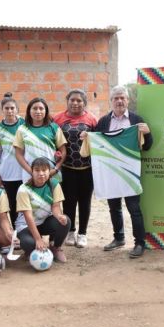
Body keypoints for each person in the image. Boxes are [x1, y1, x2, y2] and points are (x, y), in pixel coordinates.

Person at [94, 85, 153, 258]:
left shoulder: (136, 120)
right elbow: (96, 142)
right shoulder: (104, 121)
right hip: (110, 171)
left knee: (134, 209)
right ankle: (118, 238)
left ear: (128, 100)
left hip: (130, 172)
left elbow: (147, 146)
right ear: (111, 101)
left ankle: (139, 243)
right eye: (116, 98)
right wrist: (87, 138)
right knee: (114, 208)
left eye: (122, 98)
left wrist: (148, 134)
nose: (119, 101)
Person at [53, 89, 98, 248]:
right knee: (69, 202)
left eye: (79, 100)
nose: (75, 103)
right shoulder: (57, 119)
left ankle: (83, 233)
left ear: (84, 103)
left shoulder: (92, 119)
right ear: (67, 101)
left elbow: (99, 142)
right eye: (72, 100)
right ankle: (70, 231)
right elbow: (52, 140)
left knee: (85, 202)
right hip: (66, 168)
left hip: (87, 169)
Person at [15, 157, 71, 263]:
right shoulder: (24, 189)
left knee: (65, 221)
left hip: (44, 222)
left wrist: (59, 216)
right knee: (29, 244)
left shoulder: (54, 184)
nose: (41, 173)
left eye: (44, 170)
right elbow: (28, 217)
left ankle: (56, 247)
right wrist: (38, 239)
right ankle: (31, 249)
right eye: (37, 170)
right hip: (26, 226)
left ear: (49, 171)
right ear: (32, 171)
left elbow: (55, 207)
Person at [14, 97, 67, 183]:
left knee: (54, 196)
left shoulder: (54, 127)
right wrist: (32, 172)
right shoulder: (22, 129)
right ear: (29, 111)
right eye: (34, 108)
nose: (38, 111)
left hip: (52, 173)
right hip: (29, 175)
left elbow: (63, 151)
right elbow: (18, 154)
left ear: (46, 111)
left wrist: (56, 169)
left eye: (41, 108)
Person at [0, 94, 25, 227]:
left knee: (26, 200)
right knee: (12, 202)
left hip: (26, 170)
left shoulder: (25, 124)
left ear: (17, 109)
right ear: (2, 110)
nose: (10, 111)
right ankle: (16, 231)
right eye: (7, 108)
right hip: (8, 172)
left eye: (12, 108)